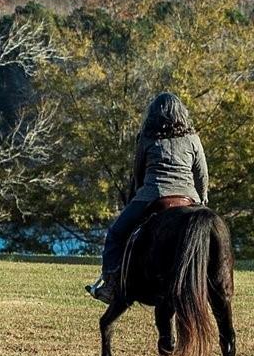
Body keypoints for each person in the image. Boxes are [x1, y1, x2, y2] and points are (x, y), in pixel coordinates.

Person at [87, 91, 209, 301]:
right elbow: (202, 174)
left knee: (116, 233)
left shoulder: (146, 138)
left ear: (154, 115)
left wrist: (138, 192)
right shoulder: (193, 139)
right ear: (181, 113)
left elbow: (138, 173)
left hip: (153, 196)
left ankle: (110, 284)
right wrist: (203, 197)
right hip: (189, 198)